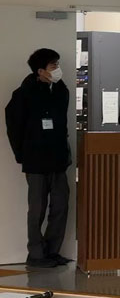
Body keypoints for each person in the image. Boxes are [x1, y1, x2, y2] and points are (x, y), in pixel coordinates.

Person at [5, 48, 71, 268]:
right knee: (37, 209)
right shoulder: (23, 94)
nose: (58, 69)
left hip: (58, 159)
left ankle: (52, 251)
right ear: (41, 71)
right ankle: (35, 254)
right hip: (35, 161)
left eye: (57, 64)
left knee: (60, 206)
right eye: (53, 66)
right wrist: (21, 154)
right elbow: (13, 126)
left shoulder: (61, 90)